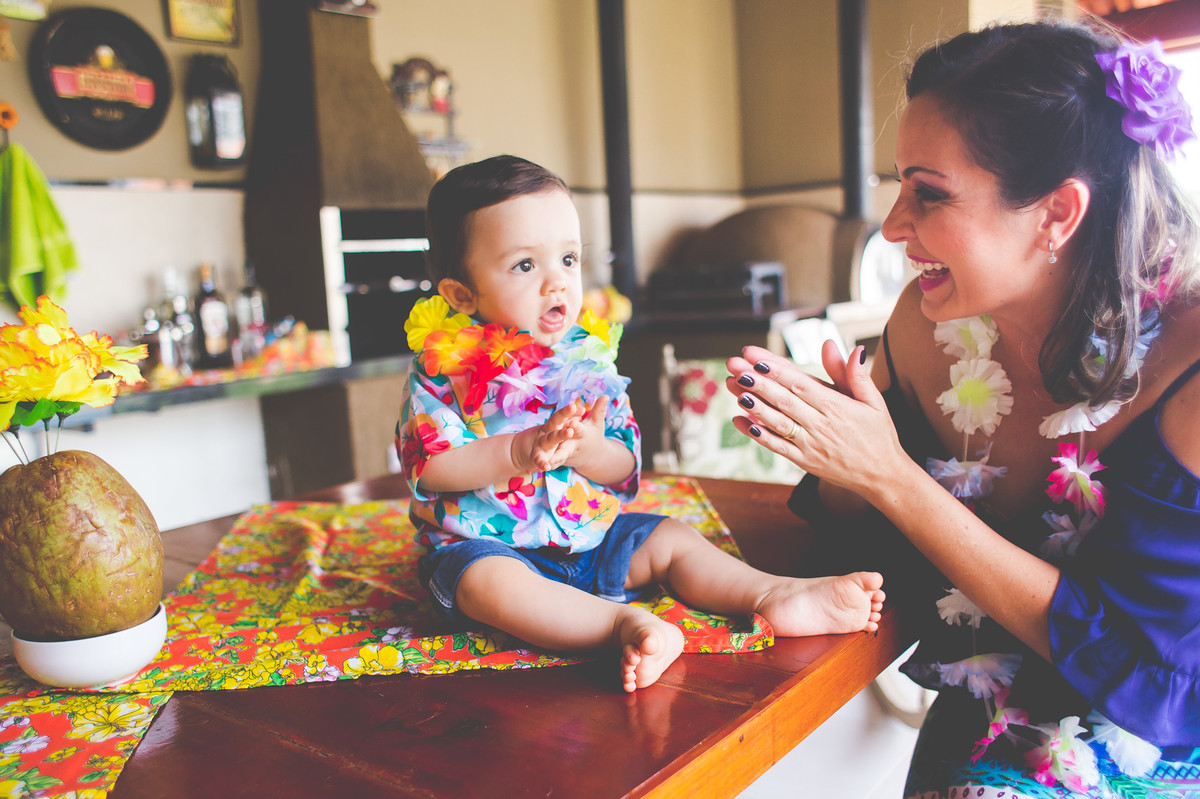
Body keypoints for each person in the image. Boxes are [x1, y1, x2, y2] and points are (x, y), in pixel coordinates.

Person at [726, 19, 1200, 798]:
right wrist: (835, 448)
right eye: (899, 184)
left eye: (929, 193)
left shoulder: (1191, 366)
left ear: (1057, 214)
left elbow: (1142, 659)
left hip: (1157, 734)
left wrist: (891, 476)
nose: (891, 227)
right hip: (989, 712)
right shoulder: (924, 324)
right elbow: (866, 537)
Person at [395, 154, 885, 693]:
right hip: (490, 551)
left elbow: (624, 465)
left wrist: (589, 449)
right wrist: (517, 452)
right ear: (461, 295)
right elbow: (431, 467)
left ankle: (771, 595)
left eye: (567, 259)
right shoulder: (443, 371)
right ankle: (620, 626)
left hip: (593, 542)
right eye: (525, 266)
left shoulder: (588, 361)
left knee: (670, 538)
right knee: (485, 585)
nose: (556, 283)